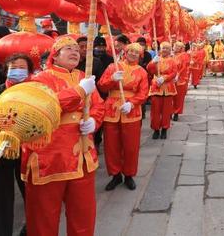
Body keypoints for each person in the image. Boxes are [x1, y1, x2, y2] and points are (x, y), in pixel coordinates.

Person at [21, 36, 104, 236]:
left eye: (77, 49)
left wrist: (94, 120)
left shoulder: (84, 76)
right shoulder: (41, 78)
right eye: (68, 48)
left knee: (83, 215)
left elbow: (99, 105)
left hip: (82, 155)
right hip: (49, 157)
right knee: (44, 218)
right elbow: (45, 107)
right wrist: (79, 91)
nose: (75, 51)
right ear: (55, 56)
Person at [0, 54, 34, 236]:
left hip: (29, 149)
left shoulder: (35, 91)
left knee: (31, 192)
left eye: (22, 67)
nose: (17, 70)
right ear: (5, 70)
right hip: (1, 149)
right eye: (13, 67)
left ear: (29, 71)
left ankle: (32, 227)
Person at [97, 42, 149, 192]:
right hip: (112, 109)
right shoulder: (113, 67)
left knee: (131, 146)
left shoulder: (141, 72)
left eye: (136, 52)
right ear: (125, 51)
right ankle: (115, 174)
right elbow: (101, 86)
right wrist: (112, 78)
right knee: (111, 145)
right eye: (130, 51)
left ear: (139, 55)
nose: (133, 54)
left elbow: (143, 93)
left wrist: (132, 103)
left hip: (131, 111)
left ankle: (129, 174)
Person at [146, 42, 178, 139]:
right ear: (160, 49)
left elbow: (174, 73)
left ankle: (164, 129)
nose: (164, 50)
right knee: (155, 111)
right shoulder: (156, 59)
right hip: (156, 87)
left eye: (167, 48)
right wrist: (152, 63)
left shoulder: (172, 61)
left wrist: (165, 78)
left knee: (166, 111)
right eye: (163, 48)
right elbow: (149, 70)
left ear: (170, 50)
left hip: (168, 88)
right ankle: (156, 129)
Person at [172, 41, 190, 121]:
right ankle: (169, 112)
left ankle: (176, 112)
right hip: (170, 79)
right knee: (170, 97)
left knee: (178, 97)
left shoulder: (184, 55)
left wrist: (178, 75)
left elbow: (183, 67)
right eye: (175, 46)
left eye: (177, 46)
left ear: (182, 48)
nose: (175, 47)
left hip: (180, 79)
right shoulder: (171, 55)